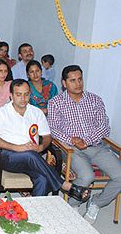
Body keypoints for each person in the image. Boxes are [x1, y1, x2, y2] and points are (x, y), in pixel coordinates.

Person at [0, 79, 90, 200]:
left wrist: (41, 147)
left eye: (26, 94)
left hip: (33, 158)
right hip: (9, 157)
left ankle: (34, 213)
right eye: (18, 94)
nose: (23, 98)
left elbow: (47, 136)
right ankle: (65, 185)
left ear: (30, 95)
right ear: (11, 96)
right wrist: (18, 148)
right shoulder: (1, 113)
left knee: (43, 179)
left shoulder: (36, 112)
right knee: (30, 155)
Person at [48, 65, 121, 223]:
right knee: (87, 176)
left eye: (80, 79)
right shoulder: (56, 103)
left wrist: (86, 141)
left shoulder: (95, 100)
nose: (78, 83)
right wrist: (72, 140)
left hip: (96, 146)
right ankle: (73, 205)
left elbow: (104, 126)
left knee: (120, 175)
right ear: (64, 83)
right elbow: (53, 129)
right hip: (72, 150)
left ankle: (96, 203)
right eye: (72, 80)